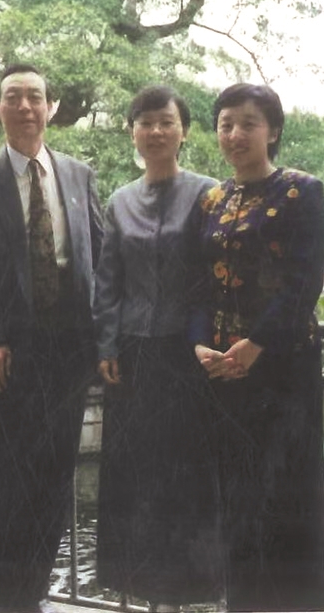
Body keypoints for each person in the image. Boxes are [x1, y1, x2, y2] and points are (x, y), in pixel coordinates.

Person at [0, 64, 103, 613]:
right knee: (0, 479)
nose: (24, 107)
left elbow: (99, 257)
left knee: (53, 477)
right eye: (12, 97)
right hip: (7, 352)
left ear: (51, 107)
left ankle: (32, 595)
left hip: (68, 351)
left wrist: (104, 341)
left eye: (34, 97)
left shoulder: (79, 175)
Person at [191, 82, 324, 612]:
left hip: (282, 370)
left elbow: (303, 282)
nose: (235, 134)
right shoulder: (211, 199)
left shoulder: (300, 190)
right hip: (224, 371)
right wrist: (200, 344)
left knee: (287, 499)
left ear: (273, 131)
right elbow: (198, 285)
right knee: (238, 501)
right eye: (226, 124)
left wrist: (256, 345)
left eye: (248, 123)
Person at [92, 86, 220, 611]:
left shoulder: (210, 194)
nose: (156, 131)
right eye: (145, 122)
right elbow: (108, 281)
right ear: (132, 132)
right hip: (134, 355)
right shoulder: (120, 201)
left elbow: (215, 278)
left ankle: (189, 594)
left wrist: (207, 341)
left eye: (166, 122)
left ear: (183, 131)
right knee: (137, 476)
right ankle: (146, 593)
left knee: (186, 474)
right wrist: (106, 344)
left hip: (189, 354)